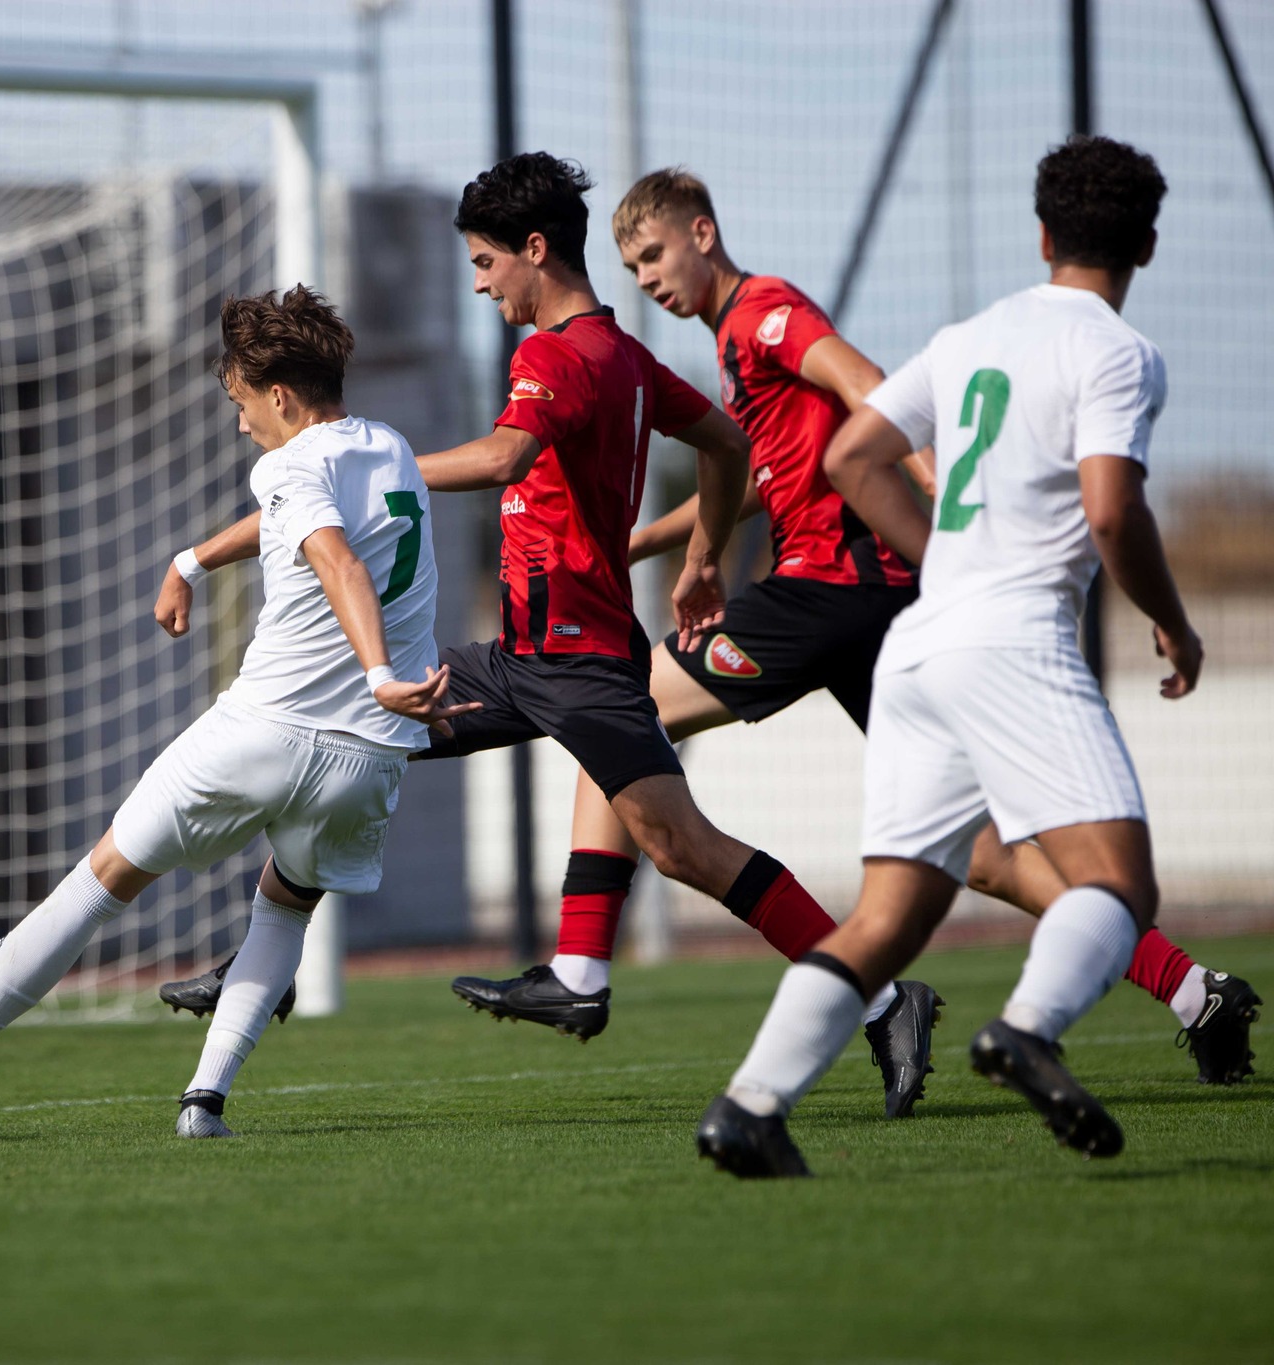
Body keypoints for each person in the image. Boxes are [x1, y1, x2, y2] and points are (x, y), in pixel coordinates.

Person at [163, 152, 937, 1114]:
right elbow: (729, 446)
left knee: (684, 845)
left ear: (535, 251)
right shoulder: (627, 355)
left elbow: (504, 456)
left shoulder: (558, 356)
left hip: (581, 665)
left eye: (487, 263)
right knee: (349, 730)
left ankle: (886, 997)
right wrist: (700, 554)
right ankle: (261, 965)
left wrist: (387, 462)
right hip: (521, 655)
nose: (479, 282)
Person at [453, 167, 1256, 1092]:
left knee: (620, 705)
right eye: (634, 267)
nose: (648, 280)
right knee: (986, 851)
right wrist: (671, 545)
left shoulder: (765, 313)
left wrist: (935, 495)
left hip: (826, 590)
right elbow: (766, 473)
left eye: (656, 255)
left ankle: (581, 969)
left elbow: (868, 388)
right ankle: (1194, 988)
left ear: (702, 233)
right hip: (874, 608)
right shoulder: (730, 343)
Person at [0, 286, 471, 1138]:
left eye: (240, 404)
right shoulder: (389, 449)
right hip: (368, 756)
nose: (240, 425)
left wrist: (378, 669)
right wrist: (193, 559)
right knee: (285, 904)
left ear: (278, 396)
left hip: (267, 731)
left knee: (101, 880)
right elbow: (301, 524)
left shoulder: (284, 463)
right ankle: (204, 1102)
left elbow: (334, 557)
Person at [698, 135, 1225, 1177]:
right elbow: (1111, 512)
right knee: (1118, 887)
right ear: (1147, 247)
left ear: (1039, 234)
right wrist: (1171, 618)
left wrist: (942, 560)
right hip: (1012, 641)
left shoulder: (973, 332)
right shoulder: (1117, 352)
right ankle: (1026, 1028)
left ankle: (748, 1107)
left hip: (917, 644)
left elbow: (850, 456)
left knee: (888, 918)